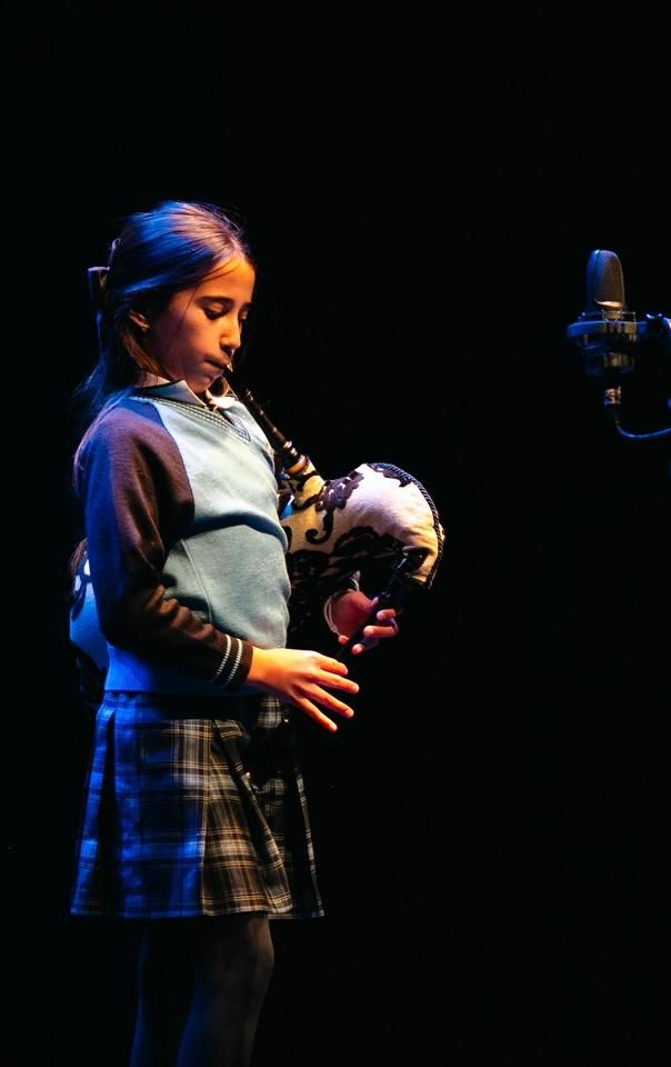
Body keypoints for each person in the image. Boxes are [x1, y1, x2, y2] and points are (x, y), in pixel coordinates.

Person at [69, 201, 397, 1067]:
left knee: (175, 963)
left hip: (236, 710)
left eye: (242, 314)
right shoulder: (128, 434)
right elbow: (133, 604)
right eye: (213, 310)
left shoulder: (237, 419)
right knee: (237, 957)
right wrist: (258, 664)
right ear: (142, 309)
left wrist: (333, 613)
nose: (234, 334)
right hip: (173, 720)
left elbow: (248, 569)